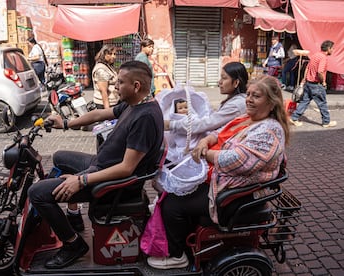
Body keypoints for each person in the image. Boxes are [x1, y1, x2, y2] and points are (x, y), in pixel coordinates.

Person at [28, 61, 164, 269]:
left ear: (136, 86)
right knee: (59, 157)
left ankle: (73, 244)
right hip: (99, 164)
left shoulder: (145, 117)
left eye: (120, 82)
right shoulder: (134, 103)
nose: (115, 87)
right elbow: (99, 114)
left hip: (113, 184)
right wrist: (65, 123)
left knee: (37, 193)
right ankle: (74, 218)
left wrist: (81, 180)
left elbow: (126, 168)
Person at [147, 75, 289, 270]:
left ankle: (177, 255)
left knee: (173, 203)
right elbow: (218, 132)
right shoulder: (248, 119)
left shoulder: (269, 131)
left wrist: (205, 153)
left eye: (256, 96)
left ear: (271, 103)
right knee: (171, 189)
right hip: (220, 180)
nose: (249, 99)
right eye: (248, 94)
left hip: (231, 193)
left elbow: (237, 160)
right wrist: (205, 142)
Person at [164, 61, 249, 142]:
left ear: (236, 83)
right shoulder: (234, 100)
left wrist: (171, 125)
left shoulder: (237, 105)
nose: (220, 82)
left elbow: (207, 123)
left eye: (224, 78)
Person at [289, 40, 337, 128]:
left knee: (304, 102)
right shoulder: (323, 58)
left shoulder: (315, 55)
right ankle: (326, 122)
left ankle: (294, 118)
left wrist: (304, 80)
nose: (333, 50)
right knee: (322, 103)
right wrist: (323, 82)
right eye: (332, 48)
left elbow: (307, 68)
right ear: (328, 48)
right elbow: (320, 71)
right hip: (316, 85)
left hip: (308, 83)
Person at [92, 45, 119, 109]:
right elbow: (103, 91)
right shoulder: (101, 70)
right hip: (104, 103)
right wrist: (107, 110)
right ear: (104, 54)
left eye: (114, 54)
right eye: (110, 54)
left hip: (113, 101)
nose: (113, 56)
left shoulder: (108, 66)